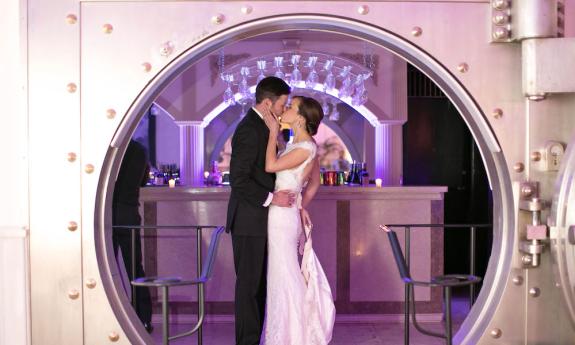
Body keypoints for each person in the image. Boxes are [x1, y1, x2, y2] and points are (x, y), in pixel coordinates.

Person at [226, 76, 296, 345]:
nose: (283, 109)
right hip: (248, 221)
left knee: (258, 288)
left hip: (259, 221)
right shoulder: (249, 129)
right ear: (267, 103)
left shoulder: (263, 127)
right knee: (249, 289)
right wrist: (271, 198)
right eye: (282, 103)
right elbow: (239, 179)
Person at [261, 96, 336, 344]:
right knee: (280, 272)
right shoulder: (302, 145)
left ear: (301, 118)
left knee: (284, 273)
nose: (286, 110)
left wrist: (273, 132)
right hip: (284, 213)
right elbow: (314, 181)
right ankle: (287, 334)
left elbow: (270, 166)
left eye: (291, 107)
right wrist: (302, 204)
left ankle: (296, 336)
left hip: (282, 217)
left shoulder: (305, 148)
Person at [112, 139, 153, 333]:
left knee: (107, 268)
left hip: (110, 214)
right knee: (135, 268)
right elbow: (143, 180)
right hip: (130, 213)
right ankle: (143, 318)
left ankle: (113, 314)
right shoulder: (140, 150)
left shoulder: (114, 150)